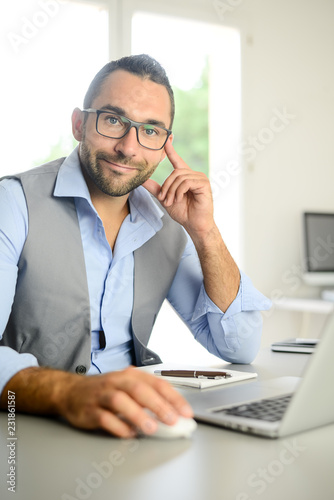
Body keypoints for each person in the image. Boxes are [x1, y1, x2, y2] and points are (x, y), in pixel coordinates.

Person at [0, 54, 271, 437]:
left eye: (150, 130)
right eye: (113, 120)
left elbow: (239, 346)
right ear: (79, 124)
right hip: (30, 430)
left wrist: (205, 232)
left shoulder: (169, 223)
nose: (129, 147)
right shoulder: (14, 202)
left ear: (166, 144)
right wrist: (69, 392)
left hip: (136, 428)